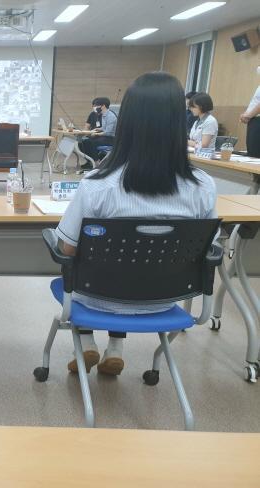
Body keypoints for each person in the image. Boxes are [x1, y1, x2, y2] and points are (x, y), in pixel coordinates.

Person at [55, 72, 217, 376]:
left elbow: (68, 249)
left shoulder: (97, 184)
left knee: (82, 270)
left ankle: (87, 343)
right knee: (129, 270)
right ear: (178, 123)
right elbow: (206, 248)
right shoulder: (203, 186)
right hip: (165, 299)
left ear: (127, 122)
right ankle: (115, 349)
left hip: (98, 295)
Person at [78, 97, 117, 170]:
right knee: (84, 142)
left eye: (96, 105)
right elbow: (104, 128)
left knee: (92, 142)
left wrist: (96, 134)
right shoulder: (104, 114)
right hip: (105, 137)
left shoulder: (111, 116)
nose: (95, 107)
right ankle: (91, 161)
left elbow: (108, 132)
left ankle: (97, 162)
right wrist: (97, 129)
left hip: (111, 139)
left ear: (103, 106)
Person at [240, 69, 260, 158]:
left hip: (257, 120)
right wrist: (246, 114)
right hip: (253, 120)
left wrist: (248, 115)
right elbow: (254, 102)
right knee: (252, 152)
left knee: (255, 154)